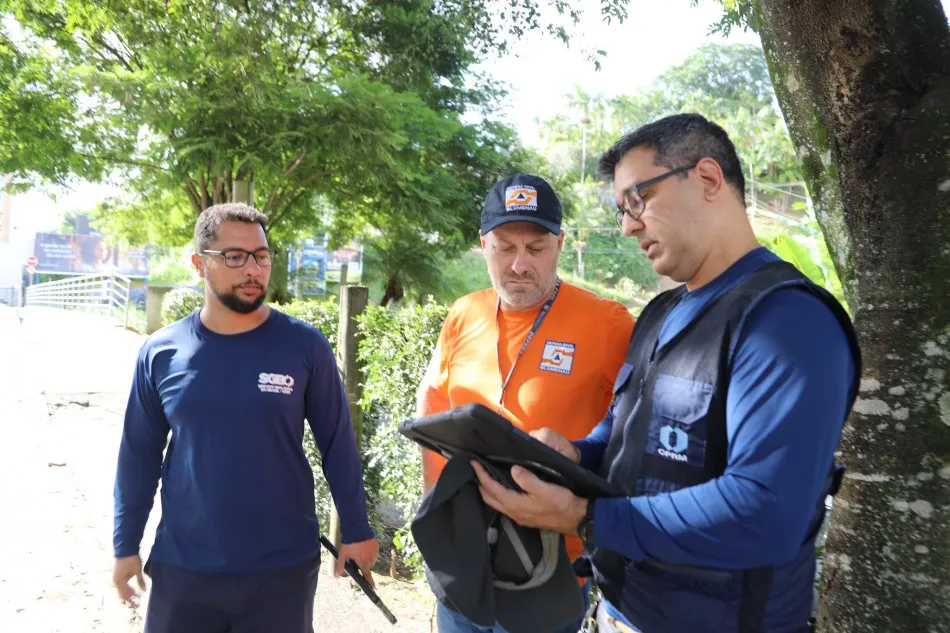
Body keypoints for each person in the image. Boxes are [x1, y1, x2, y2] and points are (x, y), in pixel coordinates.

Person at [470, 114, 861, 633]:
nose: (628, 226)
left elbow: (766, 512)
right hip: (619, 609)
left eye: (639, 199)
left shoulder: (787, 322)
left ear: (707, 178)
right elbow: (623, 434)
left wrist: (582, 516)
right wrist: (572, 453)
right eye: (621, 210)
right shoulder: (660, 314)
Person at [112, 202, 378, 633]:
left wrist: (356, 527)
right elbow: (138, 454)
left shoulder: (305, 347)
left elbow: (337, 443)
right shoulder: (161, 352)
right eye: (235, 256)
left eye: (262, 256)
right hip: (184, 566)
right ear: (200, 264)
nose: (253, 269)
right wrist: (125, 543)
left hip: (281, 570)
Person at [416, 173, 636, 633]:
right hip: (466, 561)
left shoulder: (609, 323)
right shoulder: (463, 313)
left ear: (560, 245)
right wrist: (435, 506)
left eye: (535, 248)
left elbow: (633, 432)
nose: (519, 265)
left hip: (549, 569)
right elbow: (433, 400)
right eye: (504, 247)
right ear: (483, 245)